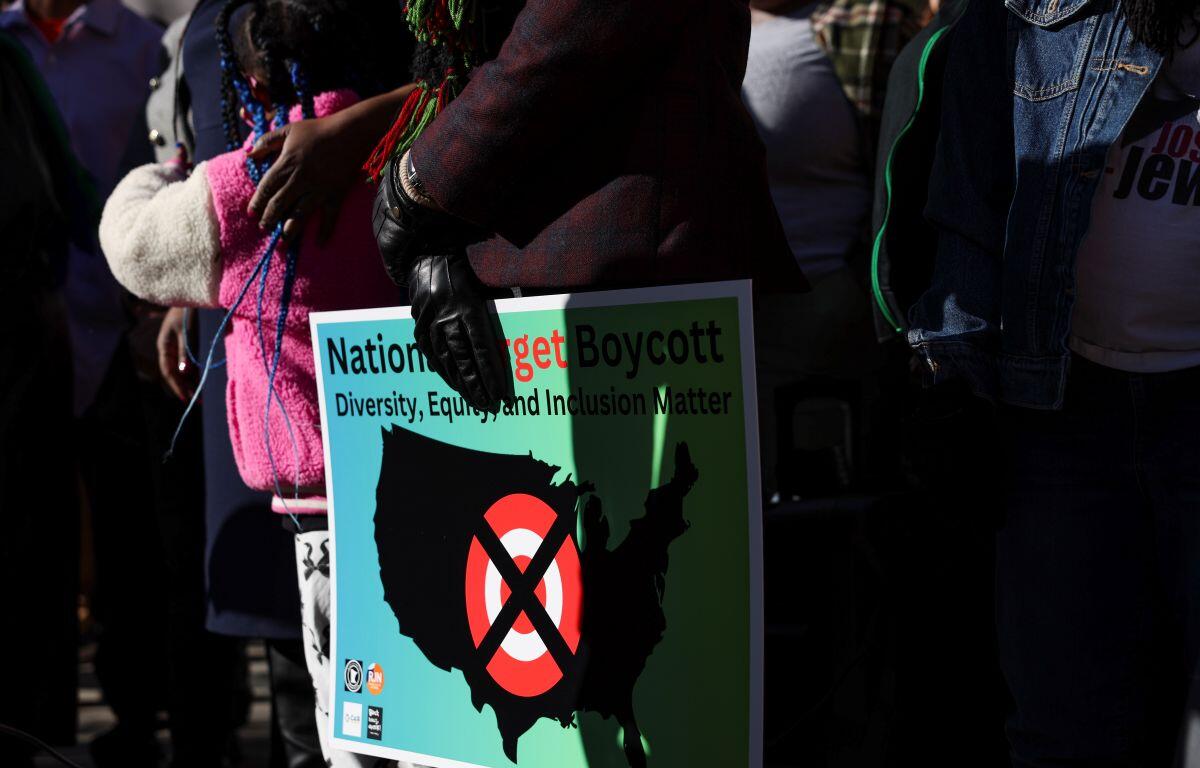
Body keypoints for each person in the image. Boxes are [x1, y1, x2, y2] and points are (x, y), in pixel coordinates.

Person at [99, 3, 412, 766]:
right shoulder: (416, 147)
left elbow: (135, 244)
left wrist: (164, 173)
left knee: (348, 730)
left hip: (320, 510)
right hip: (419, 478)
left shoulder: (257, 177)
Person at [908, 0, 1200, 763]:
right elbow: (969, 209)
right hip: (1062, 415)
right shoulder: (1021, 13)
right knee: (1067, 727)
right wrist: (953, 381)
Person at [741, 0, 923, 499]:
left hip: (826, 307)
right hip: (725, 315)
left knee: (819, 507)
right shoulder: (693, 26)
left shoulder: (866, 20)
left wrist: (851, 287)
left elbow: (912, 163)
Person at [0, 28, 90, 768]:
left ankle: (43, 732)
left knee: (35, 546)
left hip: (23, 333)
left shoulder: (7, 61)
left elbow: (67, 189)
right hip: (25, 323)